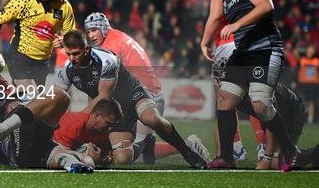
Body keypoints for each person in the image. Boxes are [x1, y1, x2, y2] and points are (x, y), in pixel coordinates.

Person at [54, 30, 206, 168]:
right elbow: (57, 97)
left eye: (76, 53)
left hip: (132, 96)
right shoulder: (67, 70)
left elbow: (104, 97)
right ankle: (144, 144)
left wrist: (75, 119)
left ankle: (187, 152)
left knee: (151, 119)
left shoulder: (107, 60)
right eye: (68, 54)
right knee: (122, 158)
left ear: (86, 49)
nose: (72, 59)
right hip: (114, 112)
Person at [209, 0, 297, 171]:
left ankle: (289, 150)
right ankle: (227, 158)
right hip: (243, 52)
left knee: (260, 104)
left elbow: (266, 6)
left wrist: (237, 25)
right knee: (225, 99)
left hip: (265, 49)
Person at [84, 12, 208, 164]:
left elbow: (105, 84)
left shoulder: (111, 46)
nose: (91, 35)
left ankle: (183, 148)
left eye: (94, 30)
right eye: (88, 31)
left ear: (103, 28)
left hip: (143, 95)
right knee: (127, 155)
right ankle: (177, 145)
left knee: (133, 153)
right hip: (147, 92)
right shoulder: (117, 37)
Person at [200, 0, 266, 162]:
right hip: (253, 45)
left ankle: (234, 148)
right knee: (254, 96)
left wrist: (205, 41)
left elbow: (216, 14)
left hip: (229, 46)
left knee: (225, 100)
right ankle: (265, 147)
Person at [53, 98, 209, 165]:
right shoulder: (71, 125)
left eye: (111, 126)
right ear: (96, 115)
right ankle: (148, 142)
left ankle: (144, 142)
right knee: (122, 156)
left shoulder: (103, 130)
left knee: (121, 157)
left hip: (127, 105)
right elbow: (57, 153)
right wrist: (87, 156)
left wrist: (102, 158)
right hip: (45, 148)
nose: (109, 130)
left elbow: (107, 156)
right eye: (107, 125)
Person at [0, 0, 75, 89]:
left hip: (43, 62)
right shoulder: (23, 1)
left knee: (32, 102)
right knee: (30, 92)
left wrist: (65, 41)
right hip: (19, 56)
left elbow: (71, 36)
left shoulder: (64, 7)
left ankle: (4, 104)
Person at [236, 83, 319, 171]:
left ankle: (317, 154)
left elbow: (271, 119)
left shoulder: (256, 88)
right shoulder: (233, 89)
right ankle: (314, 155)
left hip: (292, 112)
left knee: (278, 163)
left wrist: (267, 157)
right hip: (280, 112)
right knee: (276, 160)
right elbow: (256, 116)